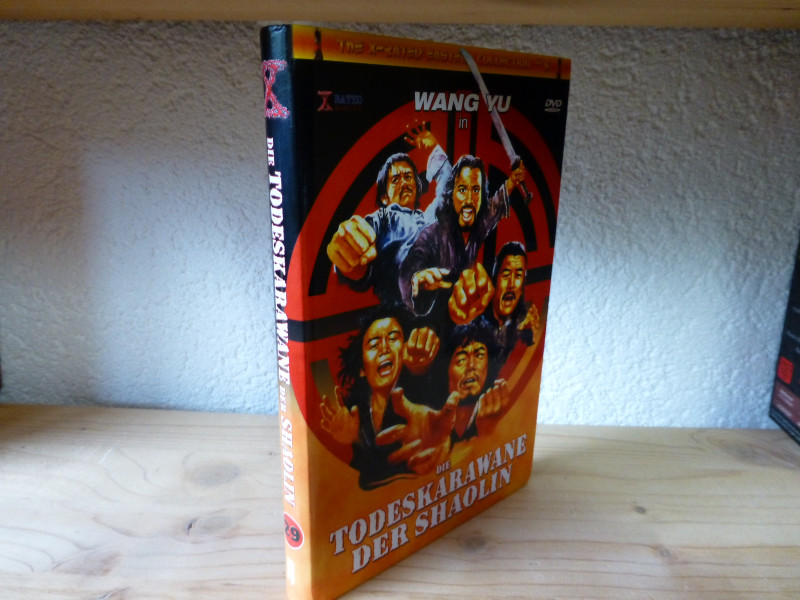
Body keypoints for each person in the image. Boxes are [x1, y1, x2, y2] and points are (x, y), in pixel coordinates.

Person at [319, 306, 449, 488]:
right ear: (362, 369)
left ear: (404, 350)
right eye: (373, 344)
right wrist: (352, 439)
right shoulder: (355, 412)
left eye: (393, 338)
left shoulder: (420, 394)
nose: (384, 348)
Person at [399, 154, 527, 327]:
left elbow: (495, 206)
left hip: (466, 323)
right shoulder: (433, 234)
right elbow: (412, 264)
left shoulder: (479, 226)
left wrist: (513, 180)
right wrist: (417, 278)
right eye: (462, 190)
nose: (469, 199)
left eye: (475, 190)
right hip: (433, 325)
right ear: (451, 194)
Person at [326, 153, 437, 304]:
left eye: (408, 177)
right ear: (384, 196)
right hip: (397, 307)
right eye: (396, 180)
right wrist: (349, 252)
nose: (404, 182)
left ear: (417, 188)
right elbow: (359, 239)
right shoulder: (383, 218)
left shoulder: (430, 219)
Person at [479, 241, 541, 362]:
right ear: (495, 280)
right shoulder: (476, 322)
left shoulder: (525, 326)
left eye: (518, 275)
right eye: (506, 274)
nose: (511, 284)